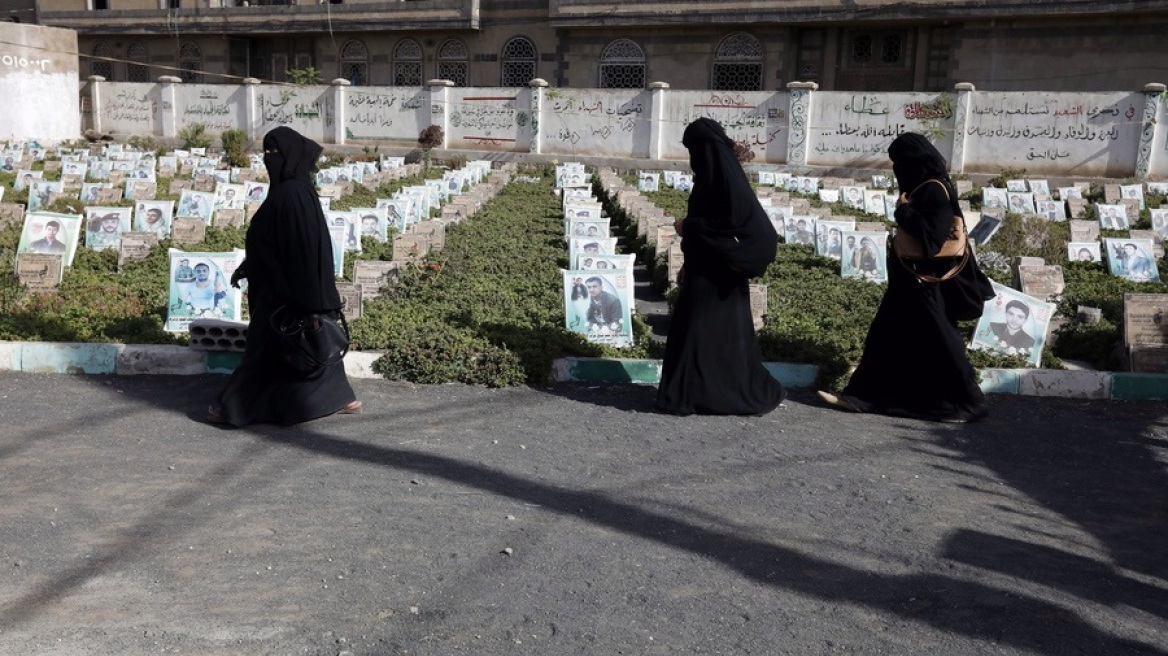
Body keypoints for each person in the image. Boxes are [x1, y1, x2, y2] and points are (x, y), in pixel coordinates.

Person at [819, 132, 989, 423]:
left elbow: (932, 239)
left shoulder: (933, 189)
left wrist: (904, 211)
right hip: (910, 284)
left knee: (942, 342)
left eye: (899, 162)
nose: (897, 169)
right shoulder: (928, 186)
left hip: (925, 284)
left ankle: (968, 403)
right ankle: (862, 396)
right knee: (887, 339)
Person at [209, 126, 359, 426]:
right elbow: (275, 240)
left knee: (268, 349)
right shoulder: (291, 190)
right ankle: (340, 398)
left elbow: (299, 248)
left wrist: (300, 295)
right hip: (286, 287)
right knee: (302, 347)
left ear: (290, 155)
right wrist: (250, 266)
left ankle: (235, 407)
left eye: (274, 152)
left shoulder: (291, 194)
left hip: (288, 290)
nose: (269, 158)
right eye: (266, 152)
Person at [655, 117, 785, 416]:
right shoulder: (713, 176)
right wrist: (688, 262)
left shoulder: (724, 179)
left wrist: (688, 226)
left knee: (702, 334)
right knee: (711, 336)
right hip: (707, 272)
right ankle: (696, 395)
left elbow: (732, 224)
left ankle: (695, 396)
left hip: (718, 276)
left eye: (693, 150)